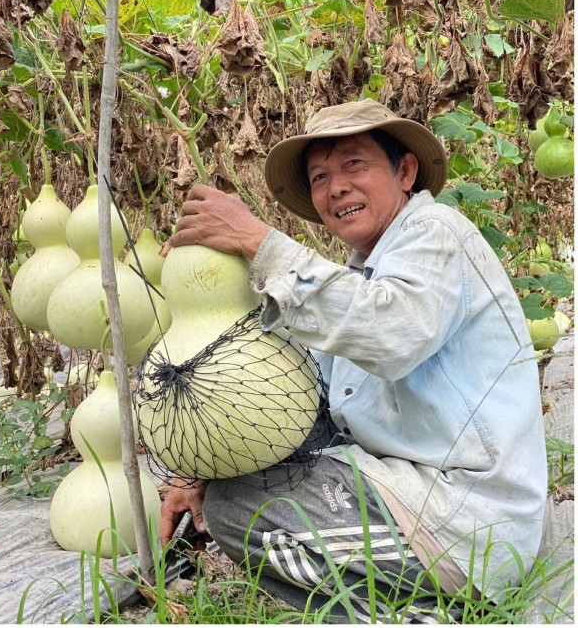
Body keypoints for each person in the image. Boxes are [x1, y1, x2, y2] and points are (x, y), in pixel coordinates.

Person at [157, 99, 547, 620]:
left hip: (467, 518)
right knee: (233, 495)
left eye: (353, 165)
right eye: (320, 177)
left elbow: (392, 332)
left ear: (405, 171)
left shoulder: (436, 232)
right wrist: (200, 469)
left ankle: (420, 615)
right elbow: (308, 412)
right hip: (420, 499)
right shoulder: (358, 277)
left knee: (238, 510)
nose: (334, 186)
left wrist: (259, 242)